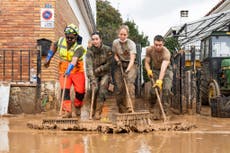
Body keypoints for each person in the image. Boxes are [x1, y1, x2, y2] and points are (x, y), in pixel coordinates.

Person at [44, 23, 86, 118]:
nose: (69, 40)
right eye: (67, 37)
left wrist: (69, 69)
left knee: (80, 92)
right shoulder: (61, 41)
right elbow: (53, 46)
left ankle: (77, 105)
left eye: (71, 38)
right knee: (64, 90)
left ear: (76, 37)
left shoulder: (79, 48)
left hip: (77, 70)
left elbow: (74, 60)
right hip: (63, 69)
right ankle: (67, 111)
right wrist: (49, 58)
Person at [86, 31, 113, 120]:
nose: (95, 41)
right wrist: (92, 79)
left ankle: (98, 112)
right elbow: (88, 66)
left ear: (100, 40)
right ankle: (92, 110)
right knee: (93, 89)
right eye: (93, 39)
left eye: (97, 39)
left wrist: (100, 68)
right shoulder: (89, 51)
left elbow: (110, 63)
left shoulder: (107, 49)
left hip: (105, 73)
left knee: (102, 89)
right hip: (94, 74)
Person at [145, 35, 173, 118]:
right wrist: (148, 70)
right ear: (153, 43)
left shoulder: (166, 53)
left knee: (166, 89)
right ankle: (151, 107)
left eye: (160, 45)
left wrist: (159, 81)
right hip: (155, 70)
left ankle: (165, 111)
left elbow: (163, 68)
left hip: (167, 70)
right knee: (154, 90)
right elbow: (147, 62)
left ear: (163, 44)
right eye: (156, 45)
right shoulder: (149, 49)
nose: (158, 47)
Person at [112, 25, 137, 113]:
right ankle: (121, 108)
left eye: (124, 35)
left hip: (131, 64)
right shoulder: (115, 43)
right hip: (120, 64)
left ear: (127, 35)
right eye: (121, 34)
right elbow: (115, 54)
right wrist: (118, 60)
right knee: (119, 87)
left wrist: (127, 70)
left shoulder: (131, 44)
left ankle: (130, 107)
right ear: (118, 34)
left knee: (129, 83)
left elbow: (132, 59)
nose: (122, 36)